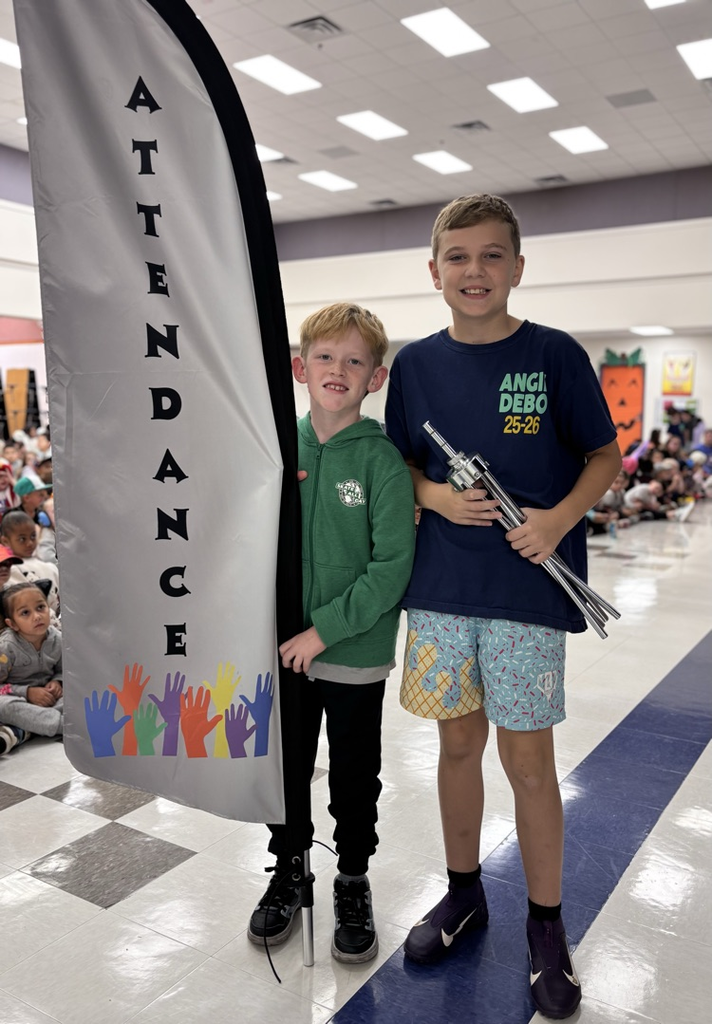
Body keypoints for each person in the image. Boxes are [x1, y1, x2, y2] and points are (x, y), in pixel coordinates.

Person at [384, 194, 622, 1021]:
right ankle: (462, 895)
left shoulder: (554, 355)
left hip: (525, 595)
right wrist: (437, 500)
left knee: (528, 764)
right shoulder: (413, 364)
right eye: (458, 257)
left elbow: (604, 454)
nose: (474, 271)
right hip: (442, 593)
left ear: (518, 268)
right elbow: (399, 471)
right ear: (434, 271)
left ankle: (546, 927)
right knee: (456, 750)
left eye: (492, 256)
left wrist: (558, 520)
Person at [247, 302, 415, 963]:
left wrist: (324, 632)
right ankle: (289, 867)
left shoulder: (382, 463)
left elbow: (391, 568)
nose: (337, 369)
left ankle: (351, 875)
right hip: (282, 653)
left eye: (354, 360)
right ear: (299, 368)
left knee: (353, 774)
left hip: (352, 654)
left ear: (375, 378)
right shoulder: (274, 450)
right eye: (325, 357)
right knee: (284, 769)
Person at [0, 581, 63, 750]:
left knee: (79, 690)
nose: (36, 616)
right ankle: (63, 725)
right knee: (4, 706)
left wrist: (58, 682)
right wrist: (27, 692)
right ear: (12, 624)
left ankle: (25, 730)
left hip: (50, 698)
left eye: (40, 607)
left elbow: (64, 670)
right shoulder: (6, 648)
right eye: (25, 613)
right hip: (18, 697)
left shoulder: (57, 639)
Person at [0, 510, 61, 614]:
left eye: (33, 536)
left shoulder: (49, 566)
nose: (29, 543)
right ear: (6, 541)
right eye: (22, 539)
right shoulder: (9, 571)